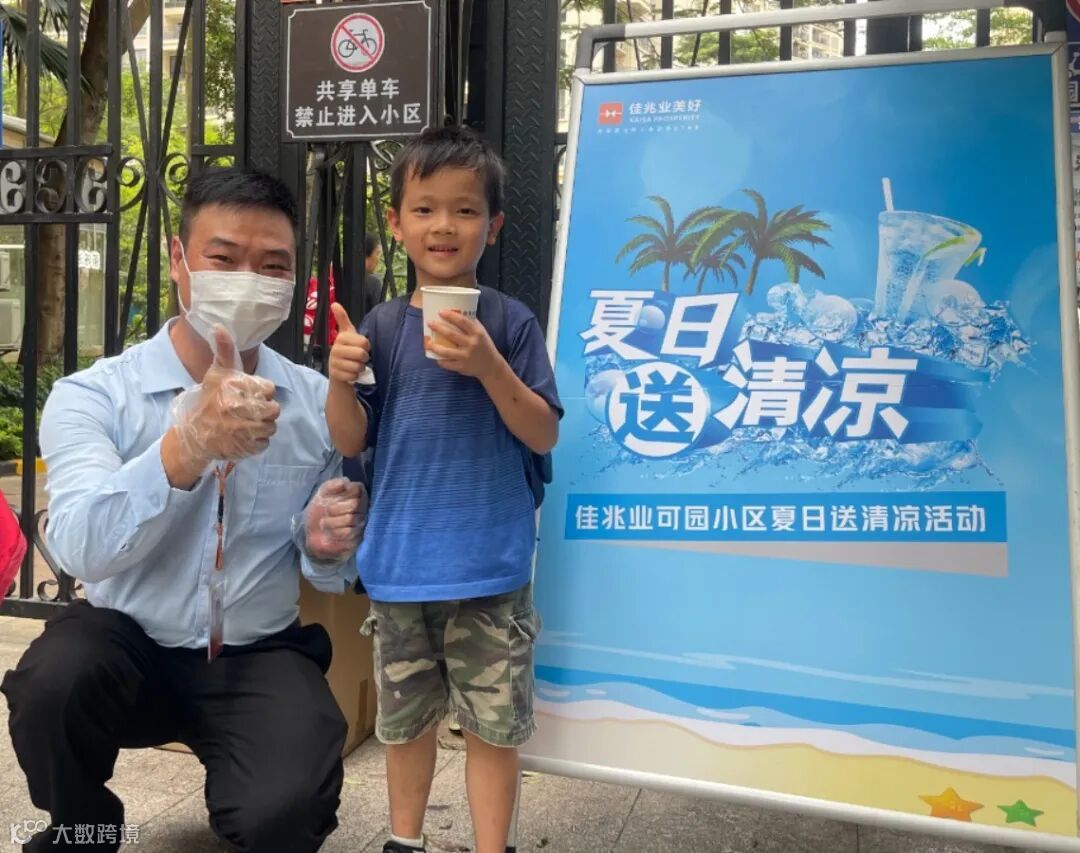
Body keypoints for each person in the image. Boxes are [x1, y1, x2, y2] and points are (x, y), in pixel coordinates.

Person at [1, 169, 365, 853]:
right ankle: (84, 827)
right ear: (178, 260)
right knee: (53, 684)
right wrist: (185, 448)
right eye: (223, 259)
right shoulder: (95, 395)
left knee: (288, 810)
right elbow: (78, 546)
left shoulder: (317, 404)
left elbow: (329, 570)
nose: (248, 281)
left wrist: (323, 544)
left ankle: (250, 796)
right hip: (125, 644)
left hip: (257, 650)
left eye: (273, 266)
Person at [324, 127, 562, 853]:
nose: (444, 226)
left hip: (490, 568)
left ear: (493, 225)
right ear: (395, 223)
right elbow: (350, 440)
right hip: (400, 568)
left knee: (494, 730)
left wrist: (490, 365)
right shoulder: (382, 326)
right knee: (404, 726)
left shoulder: (510, 324)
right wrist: (339, 380)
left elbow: (543, 433)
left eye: (465, 210)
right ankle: (404, 840)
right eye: (424, 209)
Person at [304, 232, 385, 346]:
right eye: (378, 254)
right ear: (371, 254)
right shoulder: (372, 283)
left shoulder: (333, 276)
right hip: (350, 345)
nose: (378, 259)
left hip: (318, 344)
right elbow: (379, 324)